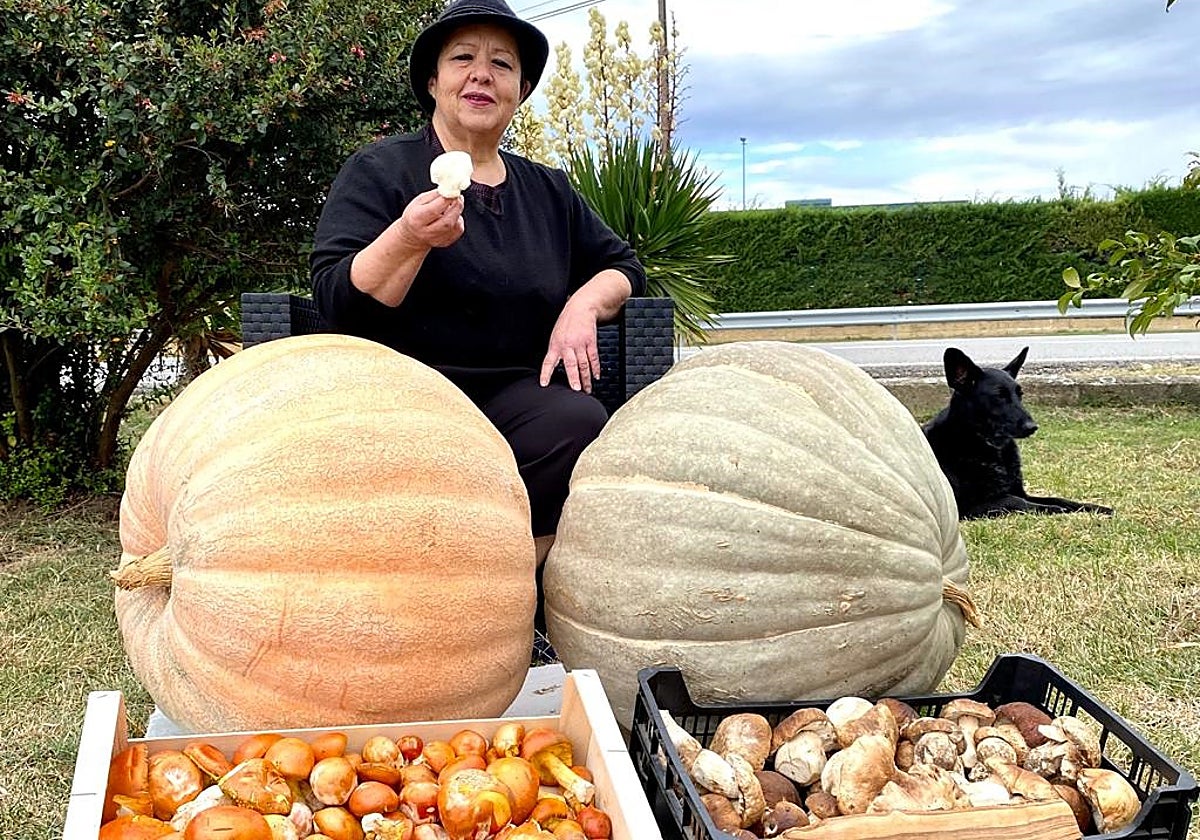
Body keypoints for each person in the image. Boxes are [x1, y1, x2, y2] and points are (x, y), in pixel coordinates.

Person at [309, 0, 647, 634]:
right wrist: (407, 238)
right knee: (413, 461)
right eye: (463, 58)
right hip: (402, 394)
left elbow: (623, 267)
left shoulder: (547, 189)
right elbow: (335, 299)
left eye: (502, 64)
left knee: (576, 419)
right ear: (433, 82)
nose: (481, 75)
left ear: (520, 90)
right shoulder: (380, 171)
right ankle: (449, 601)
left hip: (514, 400)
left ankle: (501, 599)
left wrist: (582, 303)